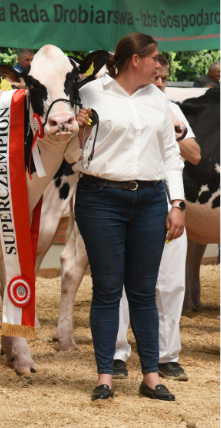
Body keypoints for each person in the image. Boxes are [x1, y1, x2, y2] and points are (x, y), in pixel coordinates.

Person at [74, 32, 184, 402]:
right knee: (107, 290)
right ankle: (105, 376)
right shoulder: (90, 93)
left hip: (152, 200)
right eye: (155, 58)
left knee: (142, 291)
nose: (160, 64)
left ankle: (150, 376)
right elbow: (75, 150)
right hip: (100, 198)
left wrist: (178, 203)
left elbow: (171, 155)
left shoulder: (158, 99)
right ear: (135, 60)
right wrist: (77, 130)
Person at [112, 54, 199, 383]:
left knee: (171, 281)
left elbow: (194, 154)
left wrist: (175, 134)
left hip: (168, 200)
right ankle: (118, 353)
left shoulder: (171, 109)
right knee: (120, 281)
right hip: (126, 198)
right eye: (156, 77)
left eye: (164, 79)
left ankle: (167, 355)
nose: (160, 84)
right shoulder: (118, 105)